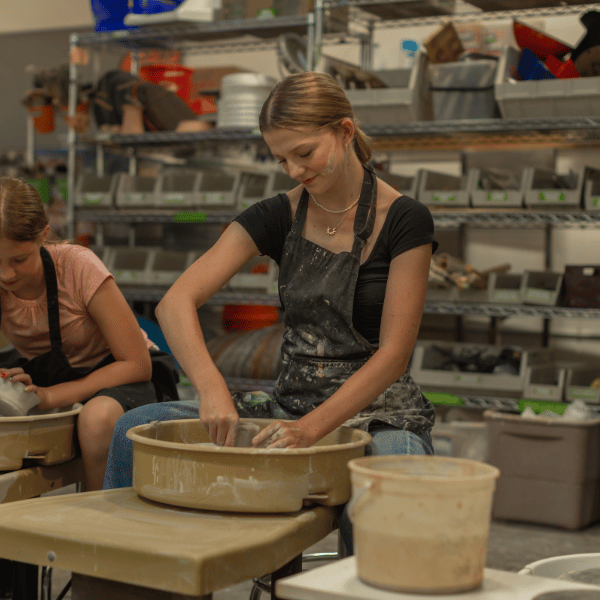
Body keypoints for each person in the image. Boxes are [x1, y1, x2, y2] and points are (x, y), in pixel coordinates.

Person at [103, 71, 437, 551]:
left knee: (387, 496)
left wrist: (309, 430)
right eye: (281, 158)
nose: (295, 170)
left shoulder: (405, 220)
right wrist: (212, 386)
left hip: (380, 415)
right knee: (132, 428)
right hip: (289, 406)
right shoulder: (277, 214)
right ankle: (124, 571)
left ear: (344, 132)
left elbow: (394, 357)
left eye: (304, 153)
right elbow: (175, 302)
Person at [0, 177, 179, 491]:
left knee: (96, 421)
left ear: (43, 236)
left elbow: (137, 364)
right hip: (48, 371)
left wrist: (52, 395)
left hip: (121, 372)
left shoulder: (76, 266)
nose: (6, 274)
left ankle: (95, 525)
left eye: (19, 259)